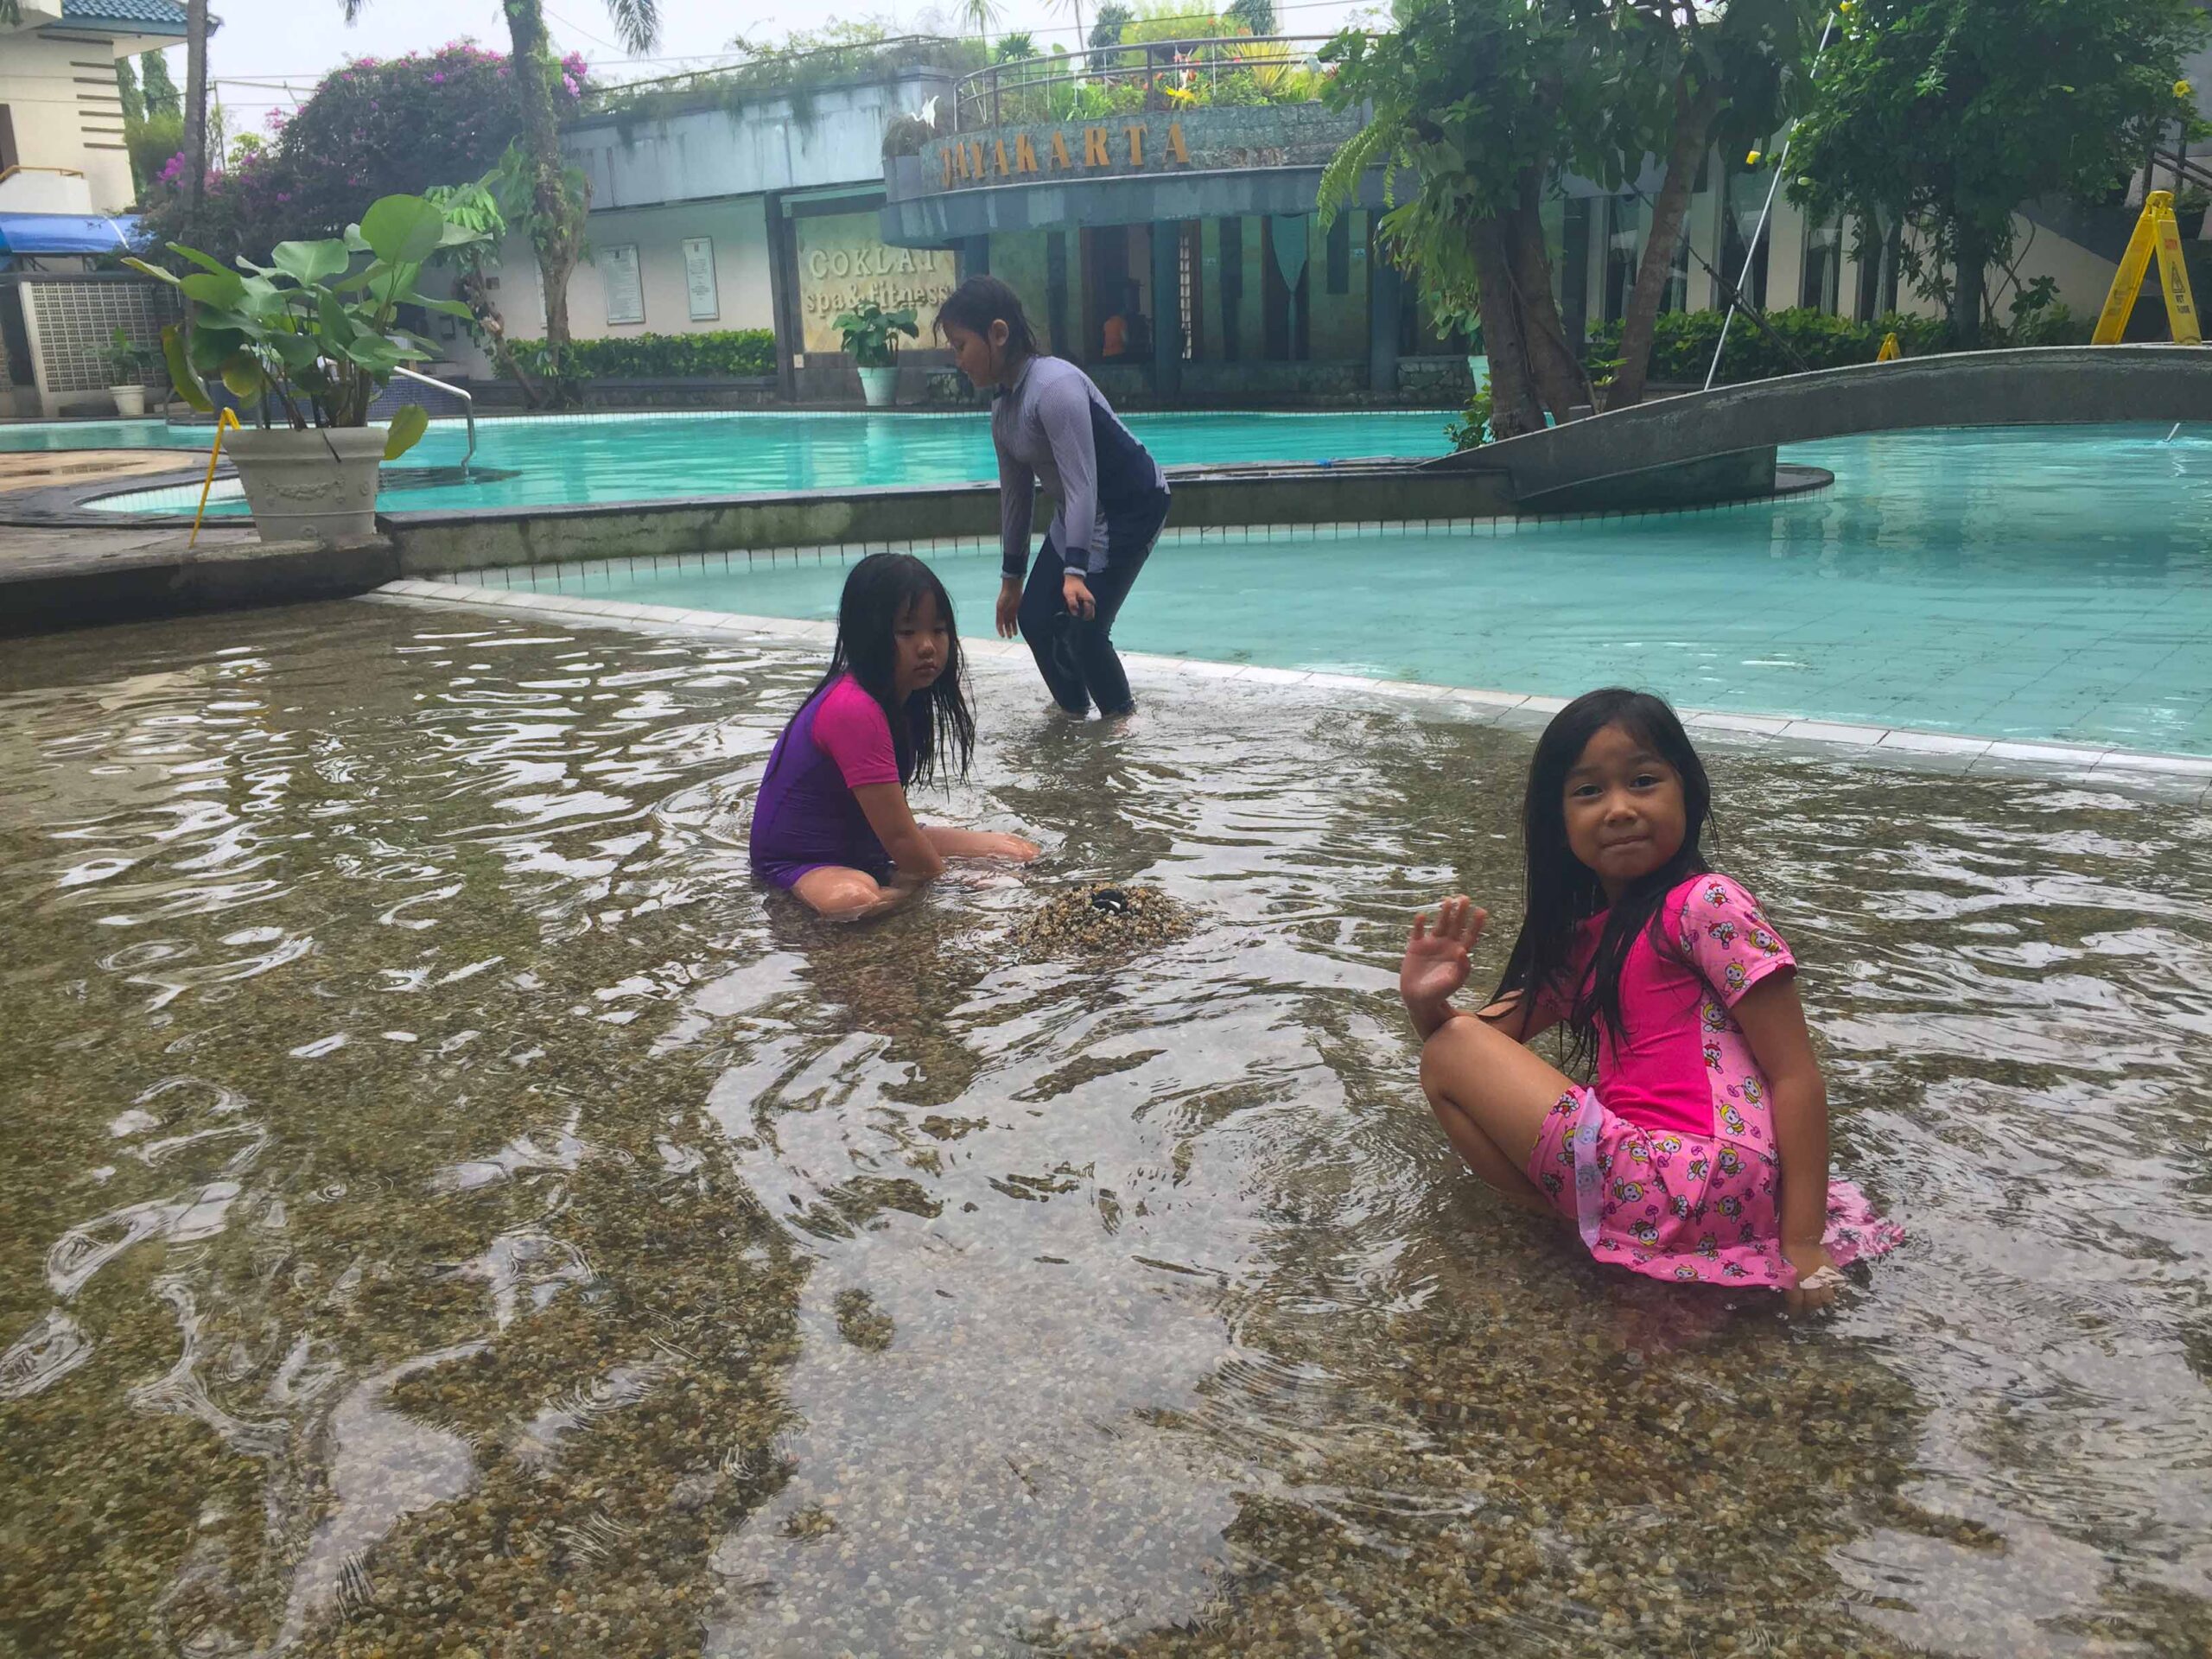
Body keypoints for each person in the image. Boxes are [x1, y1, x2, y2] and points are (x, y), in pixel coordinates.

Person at [1397, 687, 1900, 1311]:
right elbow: (1477, 1061)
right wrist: (1426, 1002)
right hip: (1727, 1191)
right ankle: (1611, 1230)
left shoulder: (1706, 903)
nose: (1619, 810)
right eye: (1589, 791)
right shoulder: (1589, 944)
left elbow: (1796, 1074)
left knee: (1449, 1047)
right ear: (1559, 825)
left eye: (1642, 781)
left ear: (1688, 791)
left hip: (1679, 1178)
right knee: (1452, 1045)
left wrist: (1804, 1246)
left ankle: (1589, 1229)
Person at [749, 552, 1038, 918]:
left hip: (868, 843)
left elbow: (897, 832)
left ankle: (896, 883)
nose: (928, 646)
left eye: (938, 629)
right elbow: (900, 837)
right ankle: (892, 888)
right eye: (907, 632)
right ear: (868, 635)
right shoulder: (853, 708)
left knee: (1017, 852)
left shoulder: (905, 697)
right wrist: (950, 885)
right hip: (803, 860)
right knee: (855, 900)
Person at [936, 275, 1172, 721]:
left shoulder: (1054, 387)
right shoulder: (1004, 409)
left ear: (998, 334)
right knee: (1035, 619)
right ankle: (1074, 716)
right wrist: (1011, 580)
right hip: (1081, 510)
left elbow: (1082, 483)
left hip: (1132, 507)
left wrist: (1074, 573)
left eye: (961, 345)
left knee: (1084, 632)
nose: (958, 359)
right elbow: (1016, 496)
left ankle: (1120, 727)